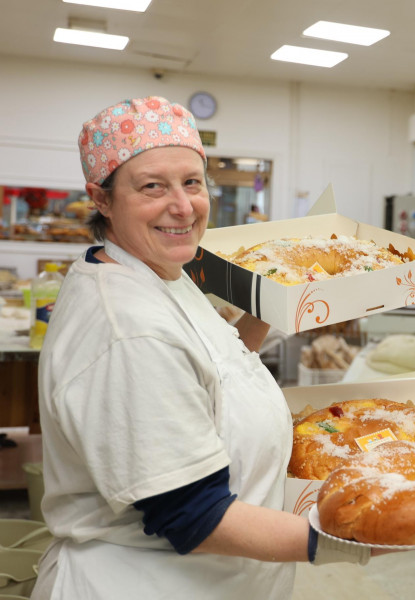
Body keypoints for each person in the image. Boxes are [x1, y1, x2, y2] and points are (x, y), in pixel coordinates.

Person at [33, 96, 369, 599]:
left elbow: (219, 365)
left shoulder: (161, 273)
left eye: (192, 182)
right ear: (101, 200)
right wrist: (358, 541)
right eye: (153, 186)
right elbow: (193, 516)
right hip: (145, 585)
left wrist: (287, 298)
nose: (182, 205)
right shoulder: (128, 329)